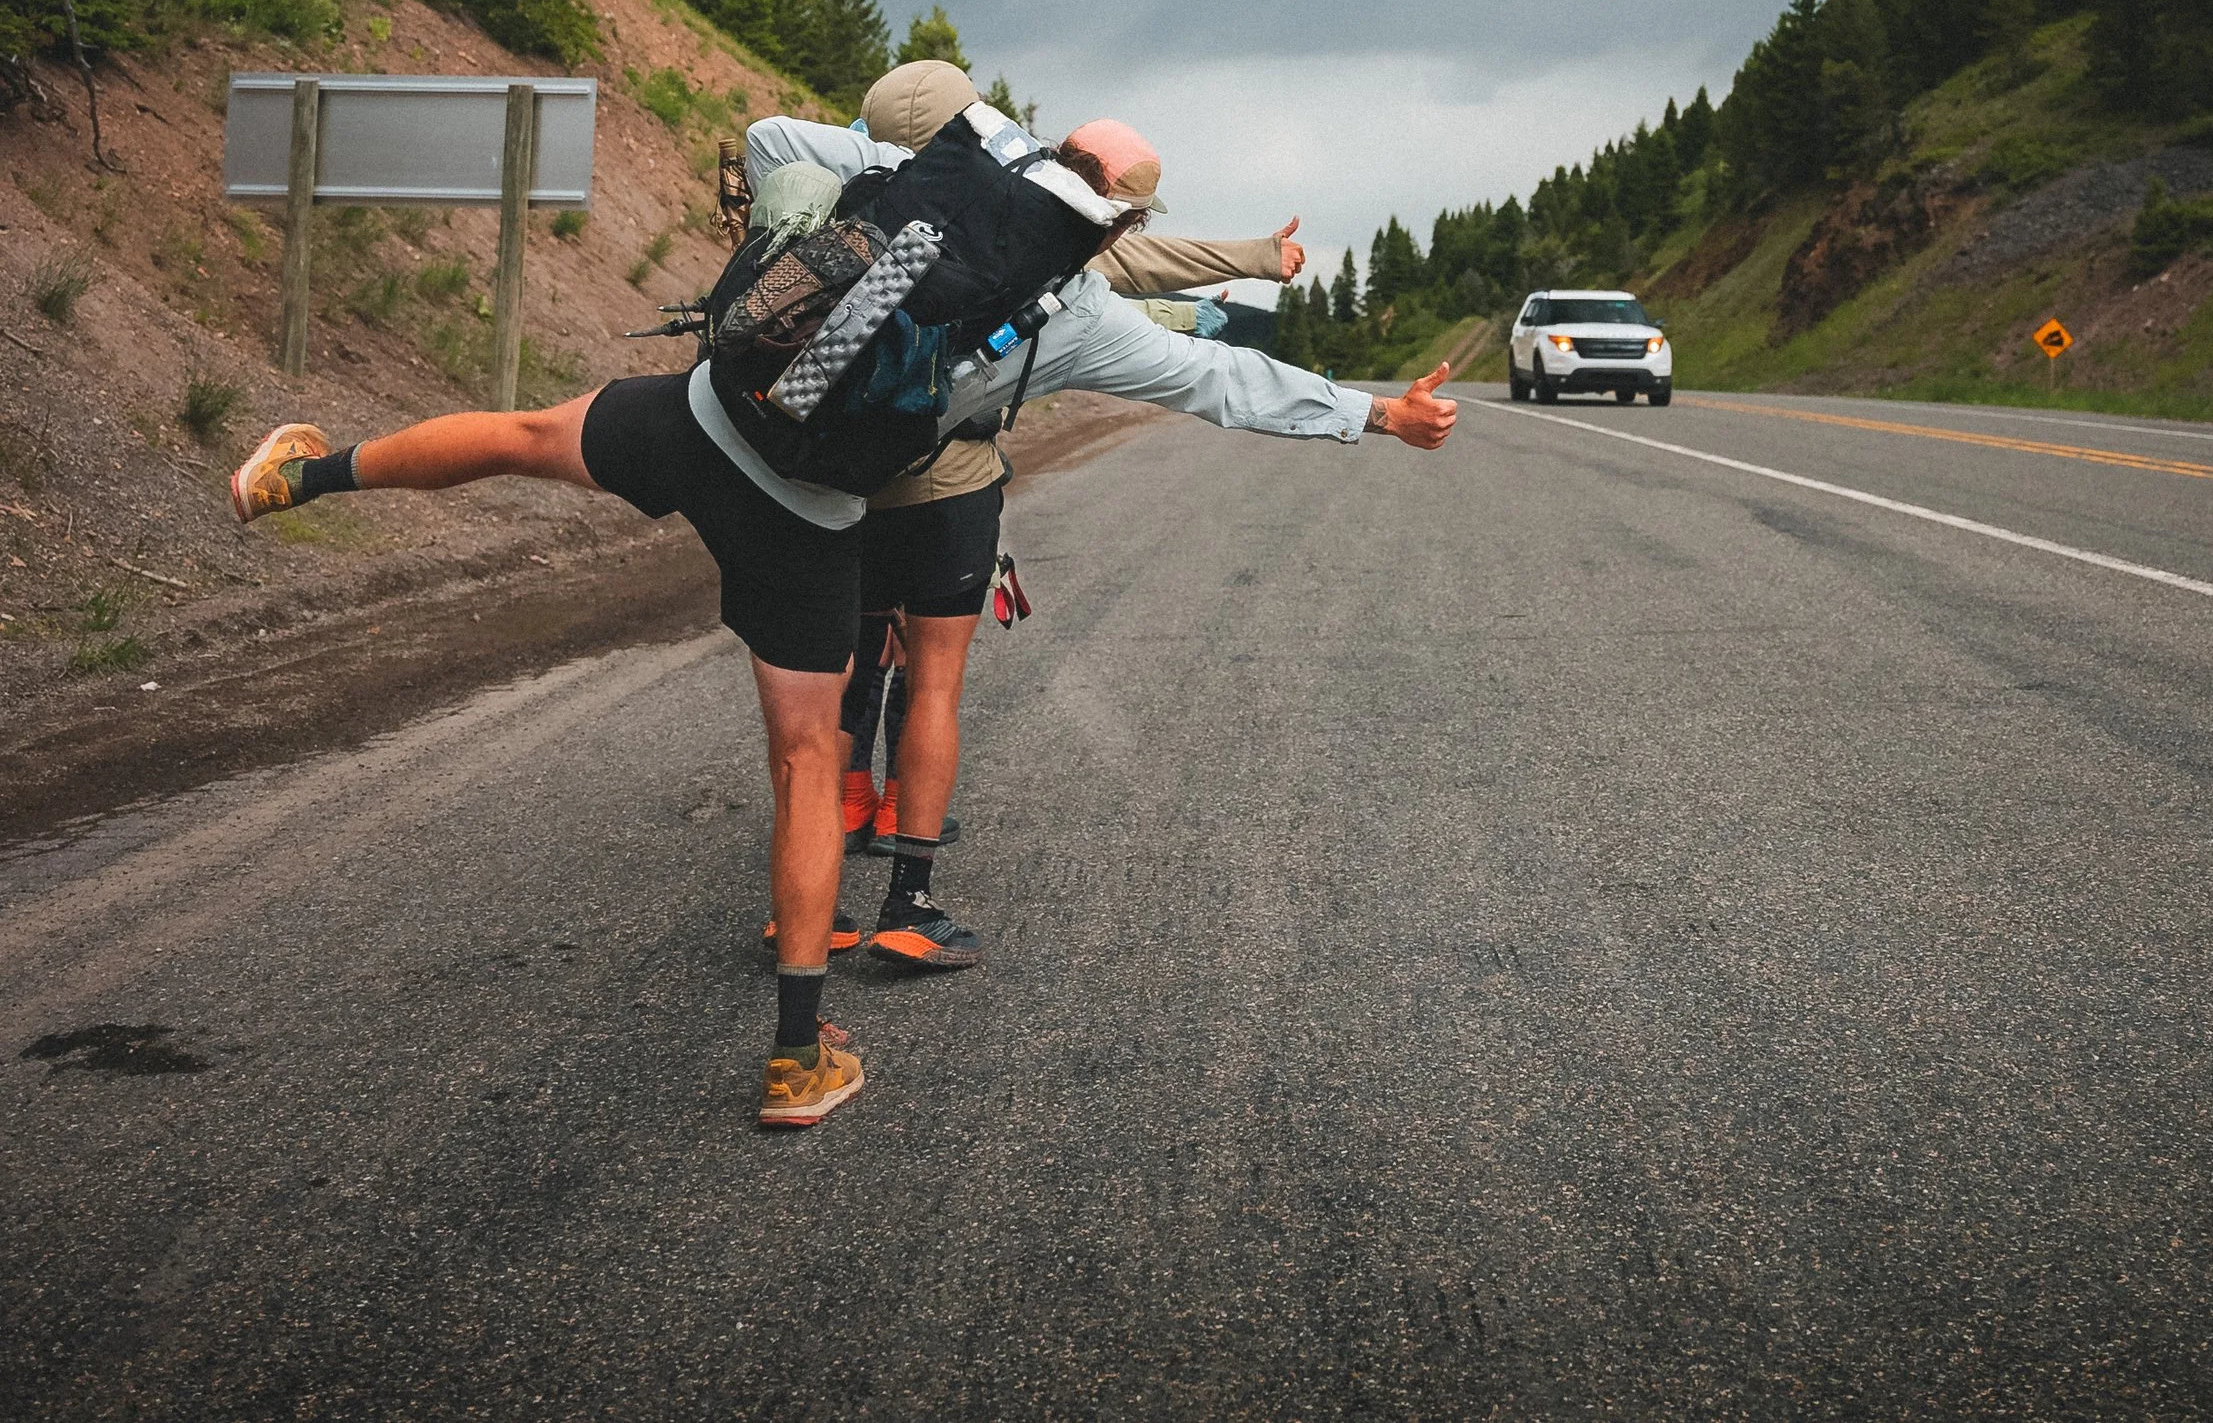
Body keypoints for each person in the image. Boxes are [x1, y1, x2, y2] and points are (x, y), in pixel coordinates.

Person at [229, 81, 1457, 1131]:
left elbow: (771, 136)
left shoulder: (929, 168)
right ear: (1122, 213)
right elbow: (1216, 375)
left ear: (1045, 150)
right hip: (810, 513)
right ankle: (797, 1055)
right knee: (810, 760)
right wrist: (1377, 412)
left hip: (708, 415)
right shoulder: (1078, 315)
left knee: (516, 435)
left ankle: (302, 473)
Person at [761, 63, 1313, 975]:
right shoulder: (1040, 236)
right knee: (932, 670)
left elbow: (769, 150)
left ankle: (812, 877)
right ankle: (909, 894)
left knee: (840, 665)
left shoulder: (852, 194)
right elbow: (1148, 280)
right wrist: (1252, 260)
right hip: (948, 477)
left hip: (829, 469)